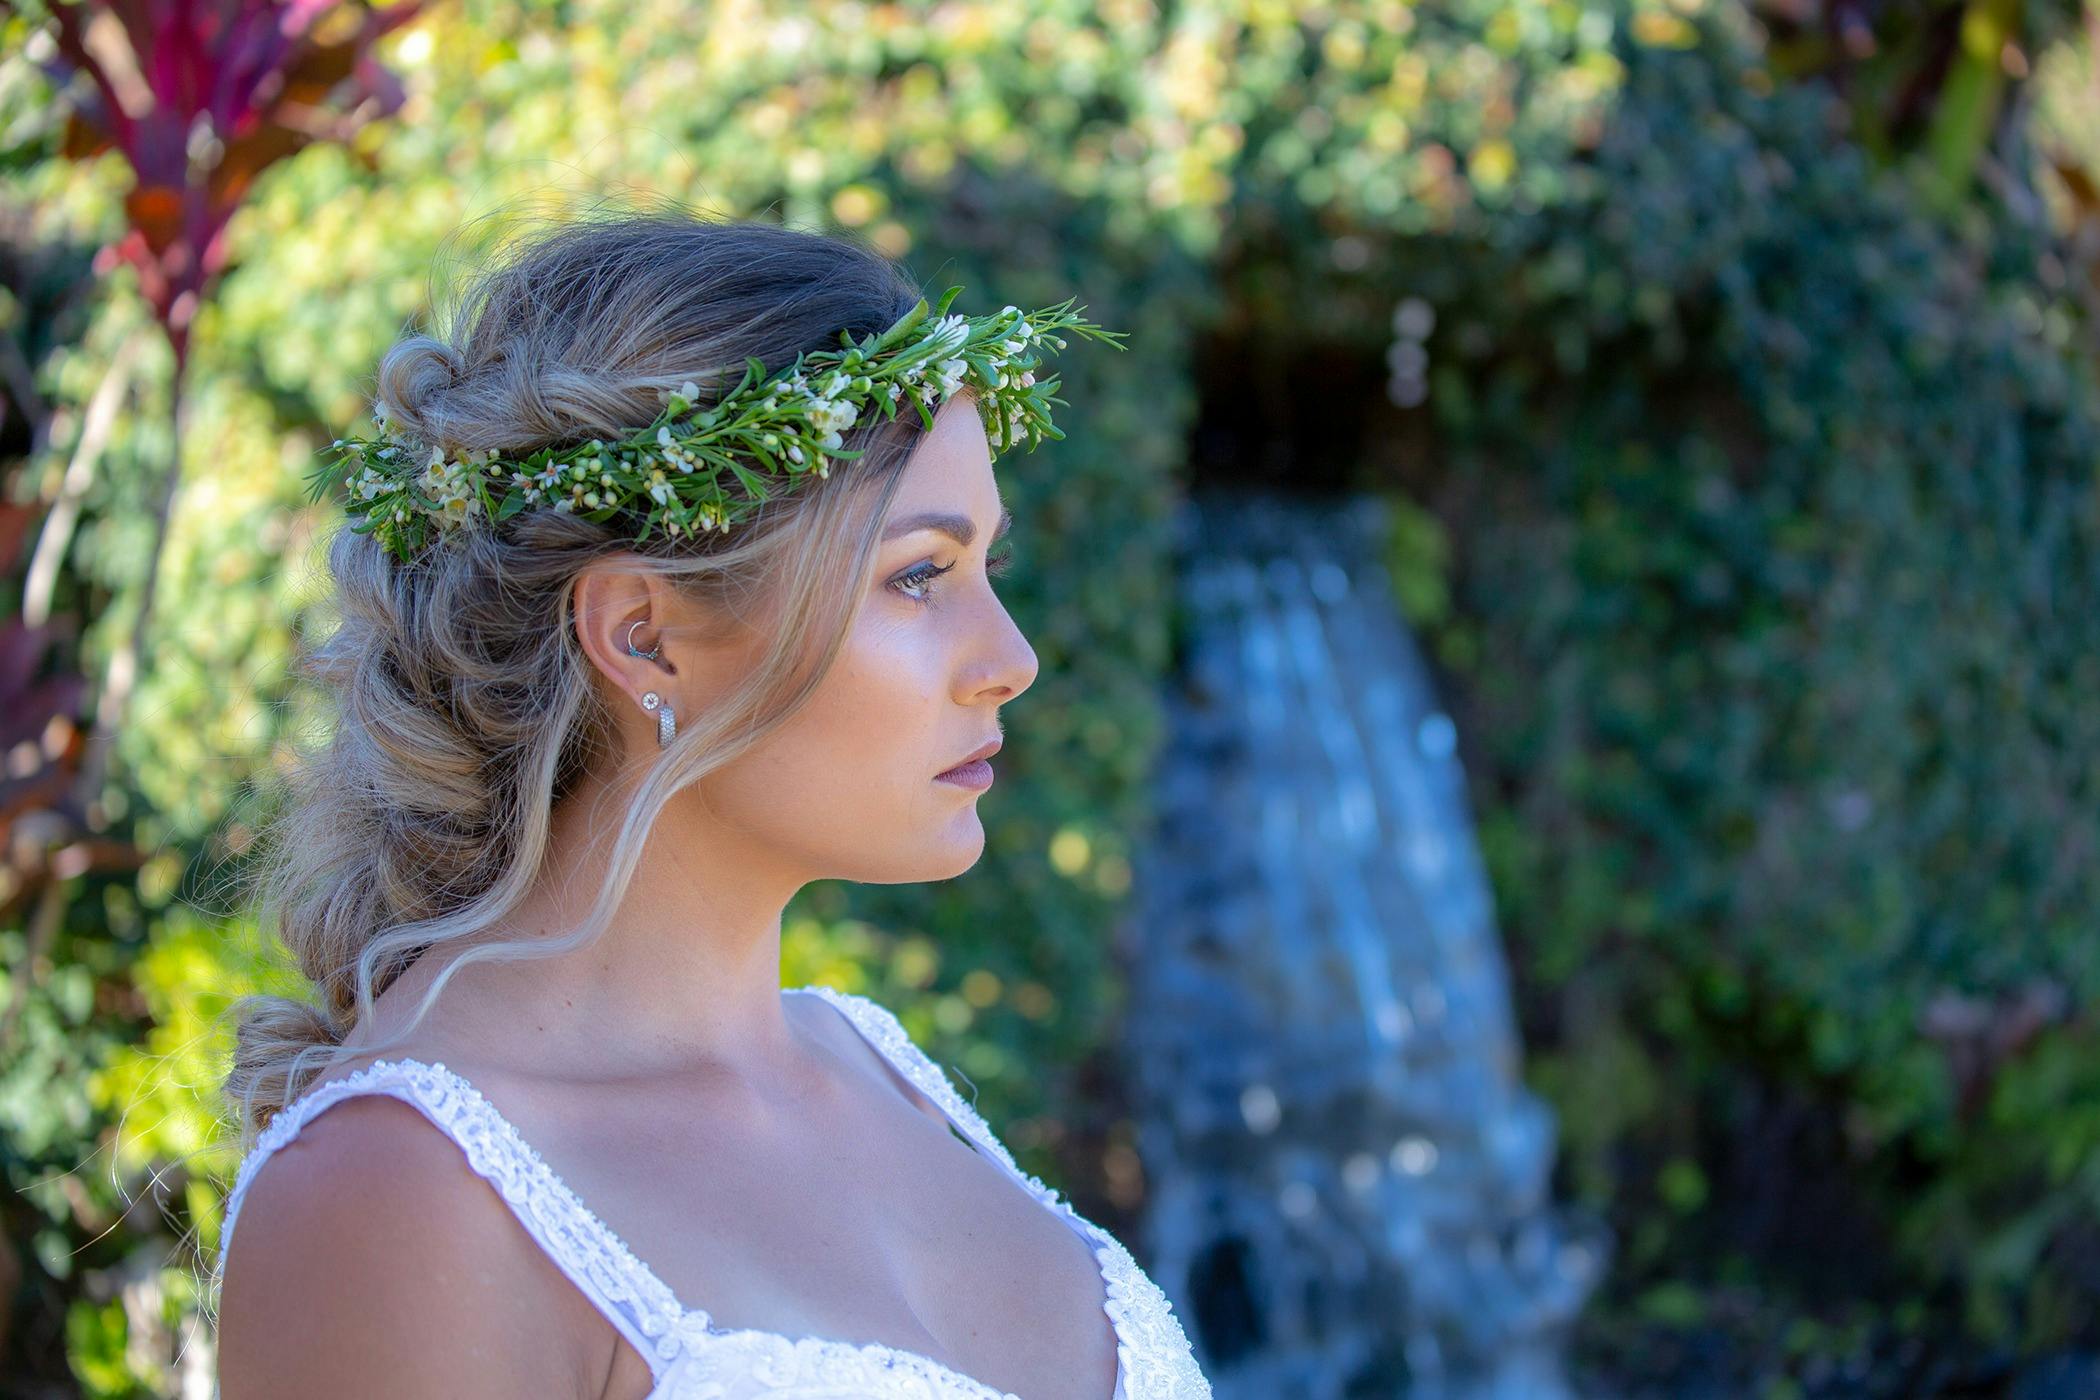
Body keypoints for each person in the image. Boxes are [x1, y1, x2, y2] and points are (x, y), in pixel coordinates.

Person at [209, 210, 1212, 1399]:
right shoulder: (404, 1190)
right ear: (645, 635)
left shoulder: (879, 1065)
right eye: (918, 575)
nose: (1012, 657)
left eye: (985, 568)